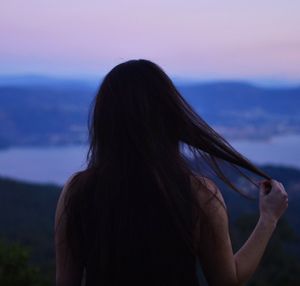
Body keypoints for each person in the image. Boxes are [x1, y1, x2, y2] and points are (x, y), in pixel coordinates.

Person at [54, 59, 288, 286]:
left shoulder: (76, 191)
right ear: (168, 116)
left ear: (104, 121)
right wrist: (268, 220)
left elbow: (65, 282)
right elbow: (227, 280)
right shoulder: (199, 193)